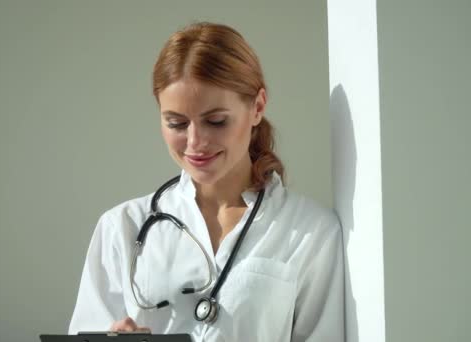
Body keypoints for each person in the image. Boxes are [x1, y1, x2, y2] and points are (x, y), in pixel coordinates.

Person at [68, 22, 344, 341]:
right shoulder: (122, 227)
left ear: (257, 107)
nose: (195, 142)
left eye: (215, 121)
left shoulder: (312, 232)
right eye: (177, 123)